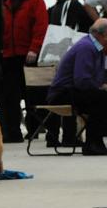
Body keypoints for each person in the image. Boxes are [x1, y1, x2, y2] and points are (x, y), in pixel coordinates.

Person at [43, 0, 94, 147]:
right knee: (70, 92)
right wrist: (89, 3)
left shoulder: (54, 7)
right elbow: (92, 25)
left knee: (56, 95)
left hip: (53, 58)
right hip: (68, 54)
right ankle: (69, 136)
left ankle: (52, 136)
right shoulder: (74, 5)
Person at [0, 0, 48, 143]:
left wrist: (34, 48)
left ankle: (34, 129)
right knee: (11, 97)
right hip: (9, 55)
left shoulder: (35, 0)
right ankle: (13, 131)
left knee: (31, 95)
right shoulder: (4, 3)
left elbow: (40, 26)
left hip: (27, 55)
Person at [46, 19, 107, 156]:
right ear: (103, 35)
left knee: (101, 97)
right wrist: (101, 87)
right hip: (62, 94)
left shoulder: (97, 48)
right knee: (102, 99)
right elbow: (82, 80)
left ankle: (95, 143)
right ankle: (92, 144)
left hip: (74, 91)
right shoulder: (87, 47)